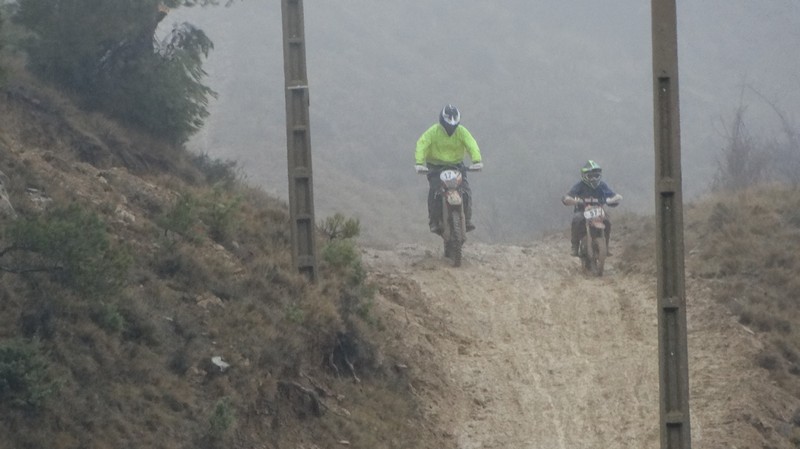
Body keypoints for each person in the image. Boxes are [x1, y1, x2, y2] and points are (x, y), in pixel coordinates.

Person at [415, 104, 483, 234]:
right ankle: (434, 221)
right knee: (435, 192)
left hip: (457, 166)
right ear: (442, 122)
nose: (450, 129)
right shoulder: (433, 132)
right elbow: (422, 144)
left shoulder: (462, 131)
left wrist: (477, 160)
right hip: (435, 167)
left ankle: (467, 219)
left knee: (466, 191)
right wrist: (419, 163)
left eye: (453, 126)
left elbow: (471, 144)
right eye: (448, 126)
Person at [561, 160, 622, 257]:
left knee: (607, 222)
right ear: (584, 176)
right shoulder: (580, 185)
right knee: (576, 220)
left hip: (598, 211)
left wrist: (612, 199)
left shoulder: (602, 185)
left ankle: (605, 246)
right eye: (590, 176)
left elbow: (616, 195)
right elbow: (568, 196)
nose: (593, 178)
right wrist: (572, 200)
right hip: (582, 211)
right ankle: (575, 246)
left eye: (596, 176)